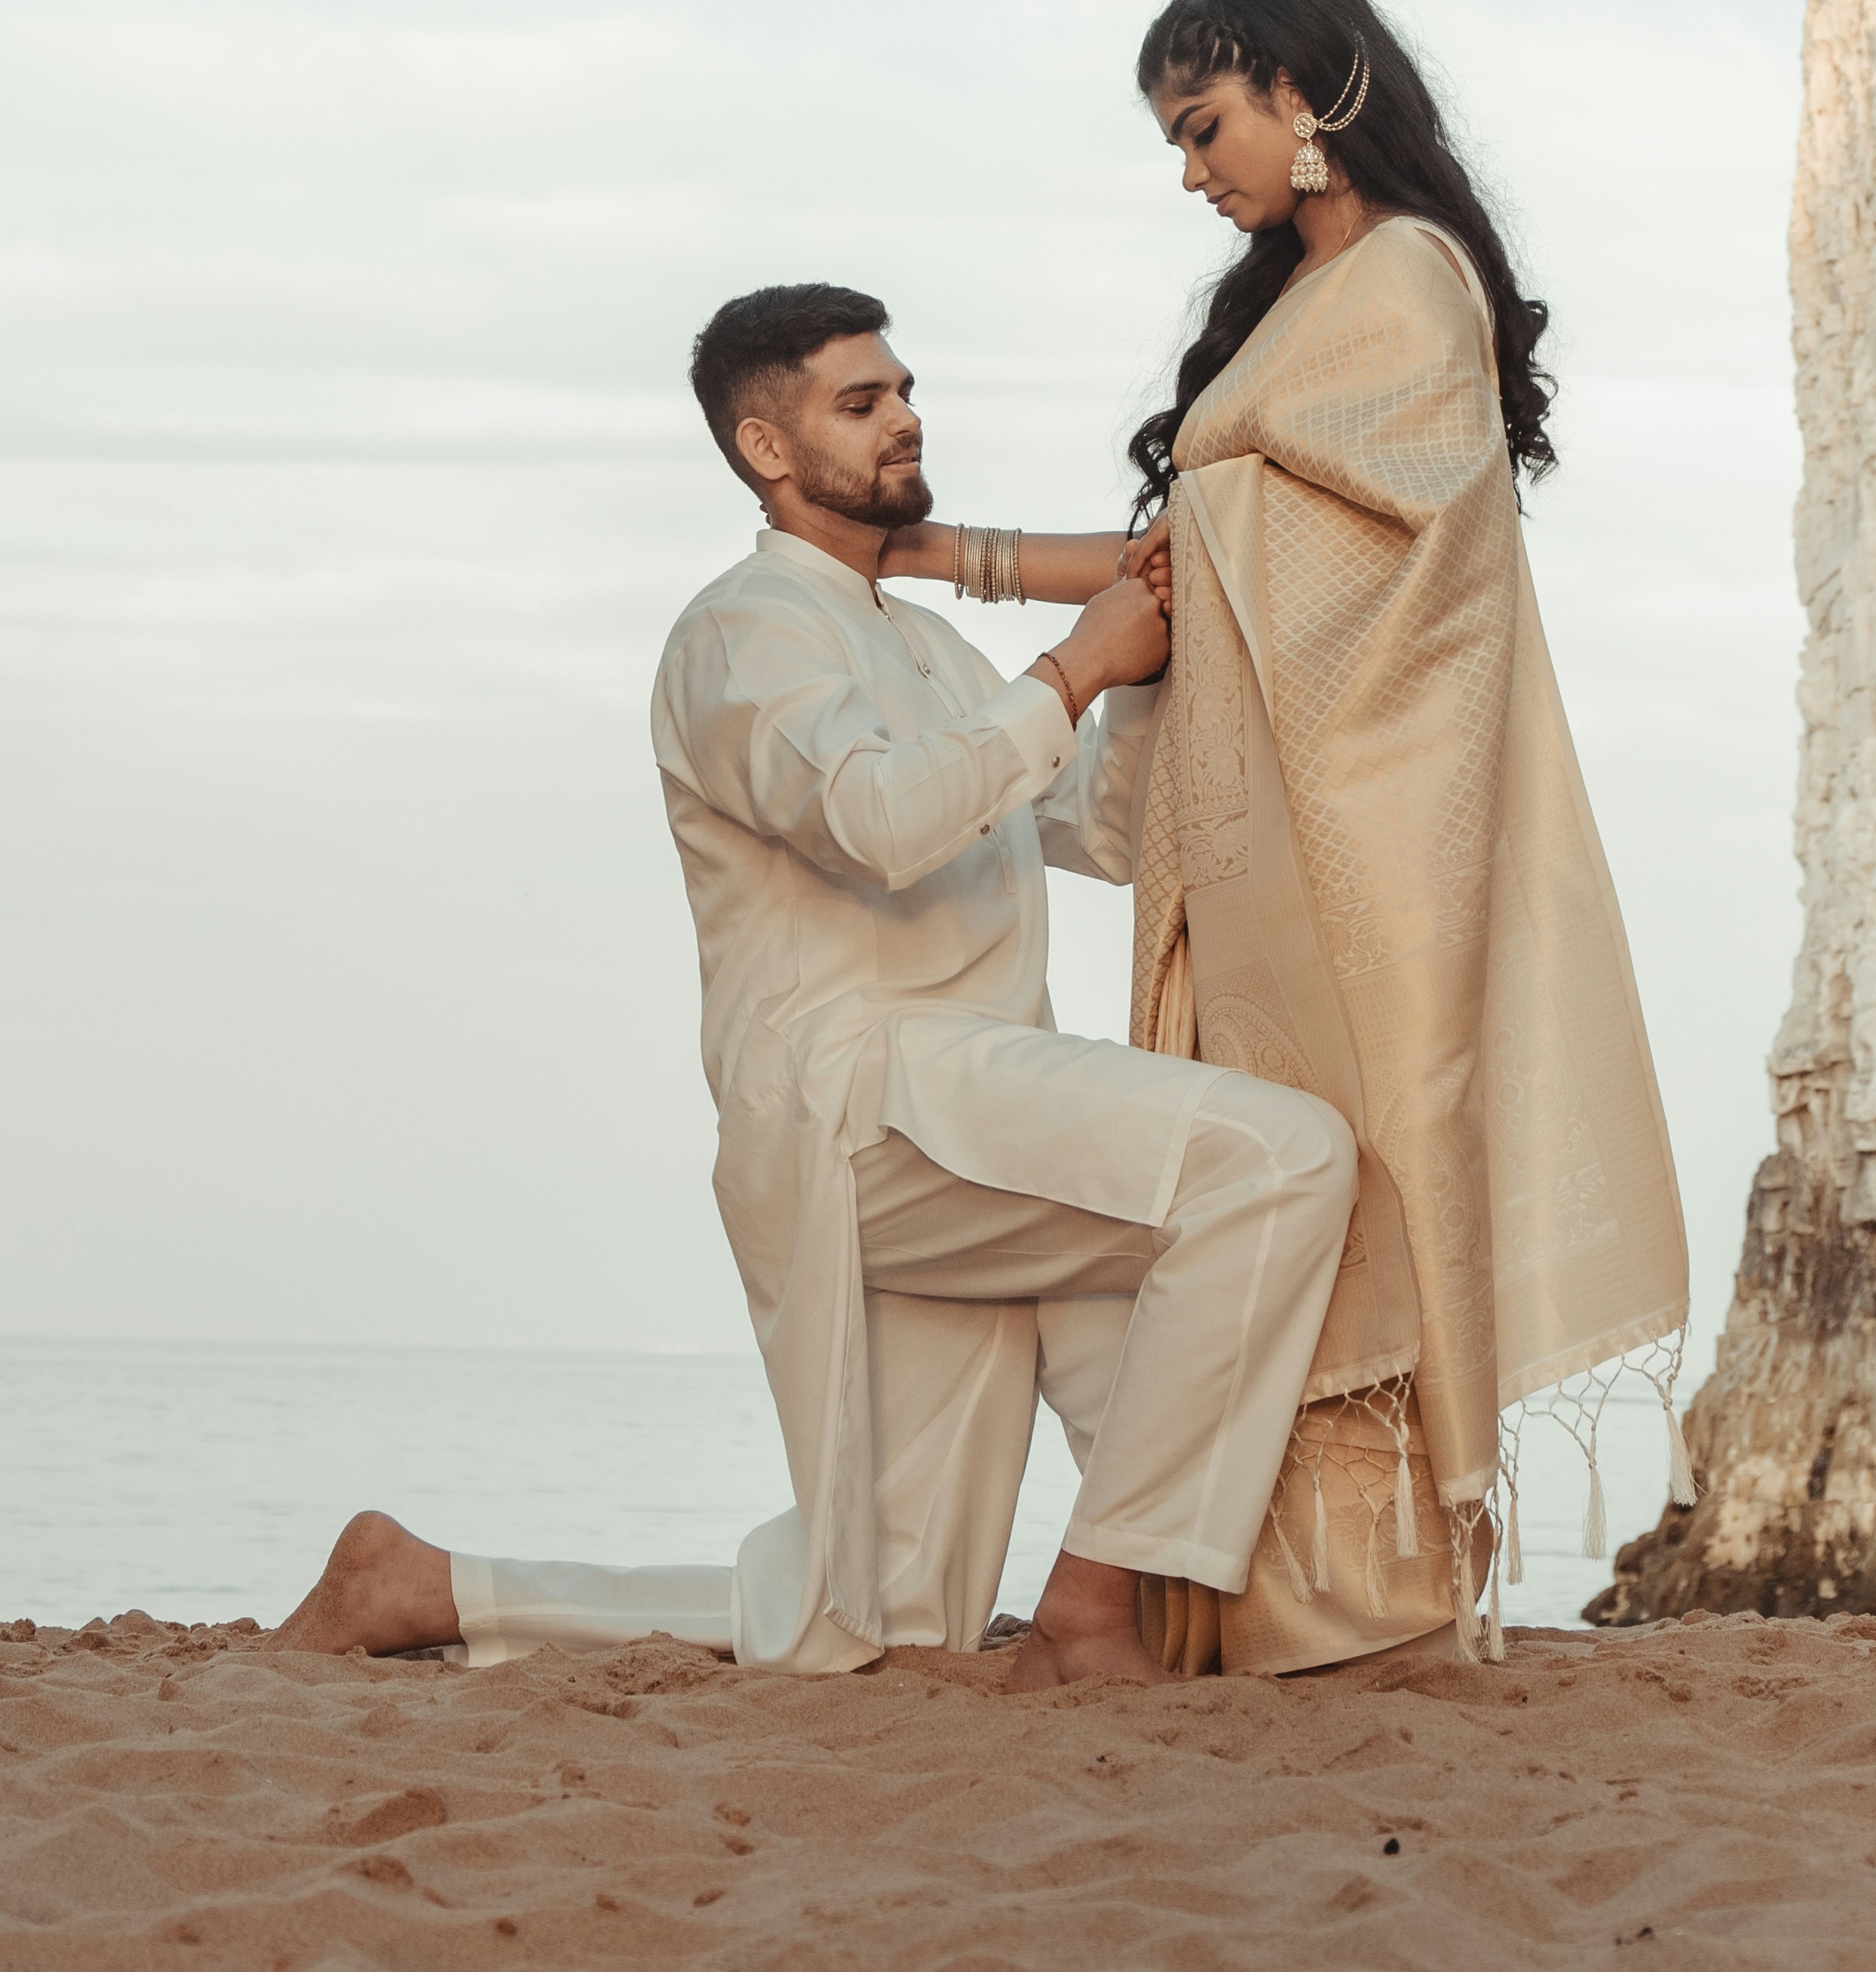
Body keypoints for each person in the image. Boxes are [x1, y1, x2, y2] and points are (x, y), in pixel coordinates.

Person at [271, 283, 1359, 1683]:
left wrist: (1133, 666)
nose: (905, 417)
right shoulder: (742, 634)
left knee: (876, 1623)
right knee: (1277, 1162)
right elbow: (886, 825)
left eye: (905, 390)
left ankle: (424, 1586)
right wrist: (1074, 661)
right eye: (863, 401)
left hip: (977, 1110)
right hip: (862, 1101)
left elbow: (1099, 826)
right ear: (768, 449)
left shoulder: (924, 642)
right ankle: (1102, 1612)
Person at [1096, 0, 1687, 1673]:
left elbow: (1406, 568)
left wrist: (1188, 550)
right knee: (1255, 1177)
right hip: (1263, 827)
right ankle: (1251, 1593)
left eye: (1205, 124)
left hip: (1371, 827)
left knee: (1366, 1165)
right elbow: (1212, 549)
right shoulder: (1289, 309)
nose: (1192, 172)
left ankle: (1381, 1599)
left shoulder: (1416, 283)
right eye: (1175, 143)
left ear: (1310, 90)